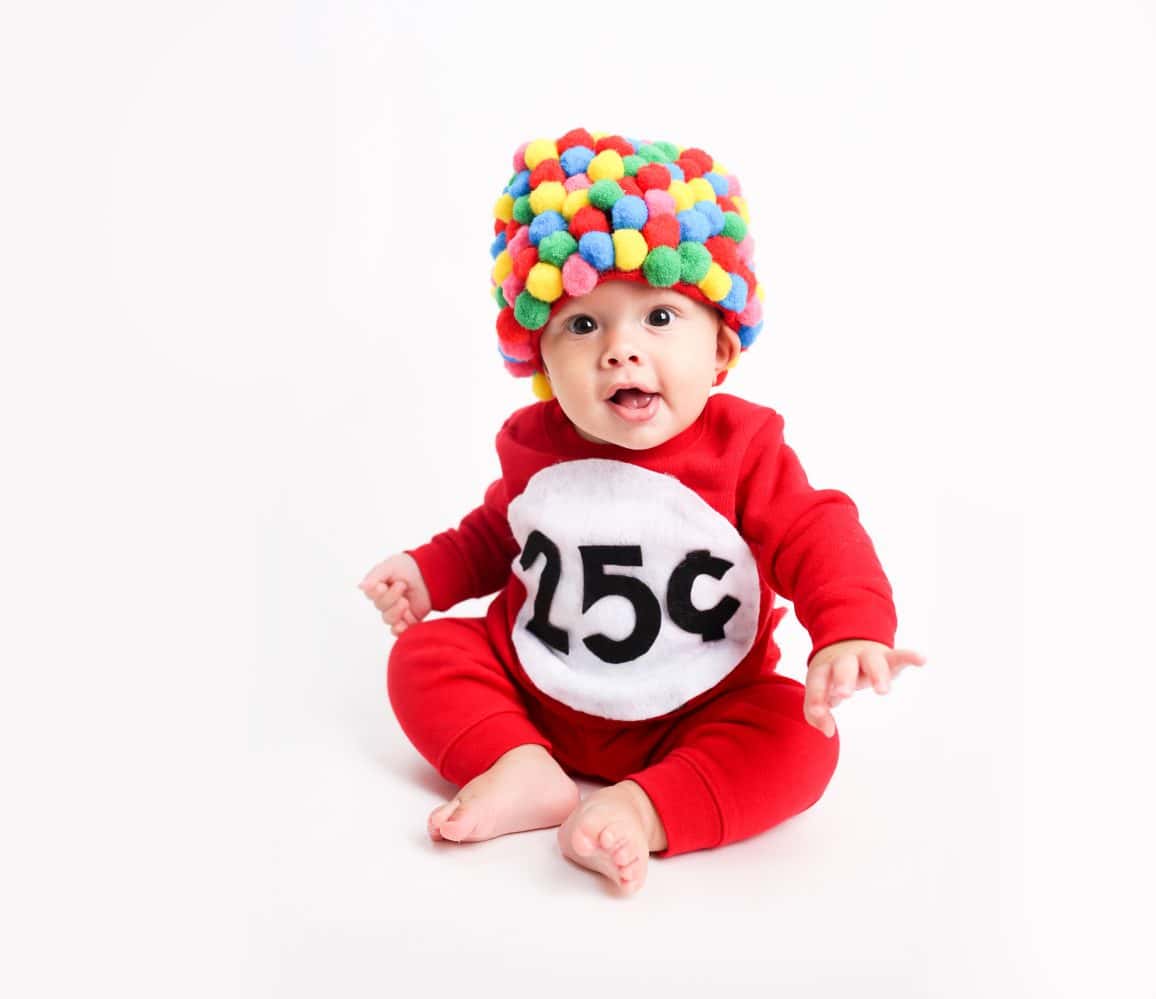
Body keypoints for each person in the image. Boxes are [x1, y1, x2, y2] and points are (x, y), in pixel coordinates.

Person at [358, 129, 925, 896]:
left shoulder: (743, 448)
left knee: (799, 734)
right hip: (540, 688)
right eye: (583, 325)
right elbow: (498, 532)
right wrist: (429, 572)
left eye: (660, 318)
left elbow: (814, 529)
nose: (621, 349)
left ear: (722, 349)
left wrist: (852, 625)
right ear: (538, 357)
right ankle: (518, 765)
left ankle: (648, 806)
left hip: (699, 707)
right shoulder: (536, 444)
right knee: (424, 656)